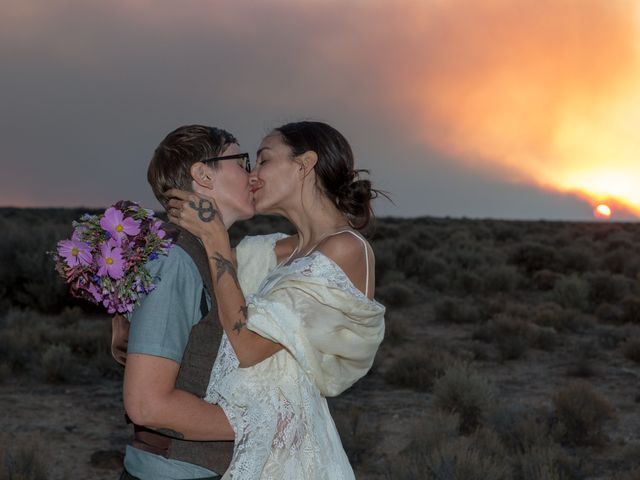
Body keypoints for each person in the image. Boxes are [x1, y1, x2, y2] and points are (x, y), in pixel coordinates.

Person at [167, 121, 386, 479]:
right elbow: (192, 274)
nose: (253, 175)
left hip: (290, 454)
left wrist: (216, 240)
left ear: (304, 164)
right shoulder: (275, 250)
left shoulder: (346, 248)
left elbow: (250, 345)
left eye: (264, 160)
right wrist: (113, 268)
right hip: (241, 437)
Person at [118, 124, 256, 480]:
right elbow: (147, 404)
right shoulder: (177, 260)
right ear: (203, 174)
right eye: (241, 161)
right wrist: (258, 423)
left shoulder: (208, 254)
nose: (251, 175)